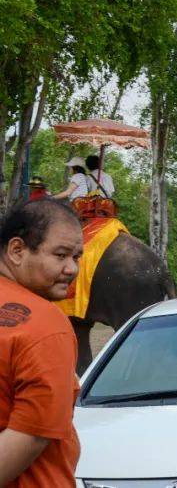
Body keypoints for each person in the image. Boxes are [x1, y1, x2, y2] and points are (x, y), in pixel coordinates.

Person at [0, 200, 84, 487]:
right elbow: (31, 435)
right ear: (17, 251)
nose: (72, 269)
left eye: (77, 257)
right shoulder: (46, 325)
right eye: (60, 255)